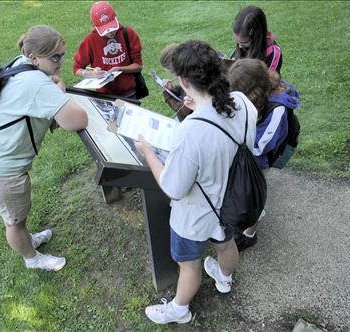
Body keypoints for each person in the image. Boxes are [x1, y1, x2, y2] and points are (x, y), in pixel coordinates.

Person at [135, 40, 258, 324]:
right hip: (232, 203)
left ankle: (179, 309)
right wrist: (198, 105)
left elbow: (172, 187)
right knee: (226, 246)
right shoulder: (241, 101)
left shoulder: (191, 131)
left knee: (188, 266)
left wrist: (149, 153)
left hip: (194, 217)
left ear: (182, 81)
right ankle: (224, 279)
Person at [0, 25, 88, 271]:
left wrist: (53, 86)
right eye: (55, 57)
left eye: (62, 54)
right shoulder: (35, 83)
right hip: (0, 170)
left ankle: (28, 241)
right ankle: (32, 259)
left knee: (16, 216)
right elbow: (77, 120)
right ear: (34, 57)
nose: (61, 61)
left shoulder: (18, 63)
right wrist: (58, 92)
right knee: (14, 222)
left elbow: (41, 87)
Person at [227, 58, 300, 251]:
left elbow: (261, 145)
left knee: (253, 192)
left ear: (253, 92)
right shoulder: (258, 98)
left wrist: (234, 140)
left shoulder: (277, 111)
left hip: (260, 159)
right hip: (247, 152)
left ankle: (250, 234)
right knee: (245, 189)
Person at [73, 1, 144, 98]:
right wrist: (92, 73)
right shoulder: (90, 40)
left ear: (116, 18)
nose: (110, 33)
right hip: (105, 96)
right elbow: (76, 69)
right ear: (95, 26)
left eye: (111, 28)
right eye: (105, 29)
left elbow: (138, 66)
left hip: (129, 93)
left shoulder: (128, 33)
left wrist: (120, 69)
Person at [230, 5, 283, 74]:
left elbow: (269, 82)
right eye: (237, 42)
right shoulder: (243, 43)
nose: (239, 46)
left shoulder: (272, 53)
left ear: (256, 37)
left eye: (244, 43)